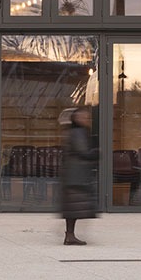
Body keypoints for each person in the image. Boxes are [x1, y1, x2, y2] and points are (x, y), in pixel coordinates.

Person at [60, 103, 98, 245]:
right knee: (73, 208)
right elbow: (83, 152)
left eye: (88, 117)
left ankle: (70, 235)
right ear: (76, 118)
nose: (87, 119)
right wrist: (97, 152)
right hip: (76, 175)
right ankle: (69, 236)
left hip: (73, 175)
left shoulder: (74, 131)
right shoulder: (78, 133)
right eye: (84, 116)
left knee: (73, 208)